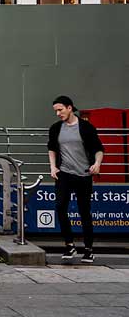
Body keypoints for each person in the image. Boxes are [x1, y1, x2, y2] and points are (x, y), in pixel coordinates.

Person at [48, 94, 105, 264]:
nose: (58, 113)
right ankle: (69, 245)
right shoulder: (56, 128)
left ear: (70, 108)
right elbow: (52, 148)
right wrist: (52, 166)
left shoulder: (86, 127)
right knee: (60, 206)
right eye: (55, 111)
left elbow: (98, 148)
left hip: (84, 174)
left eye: (60, 110)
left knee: (84, 211)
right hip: (64, 173)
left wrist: (97, 163)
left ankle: (88, 249)